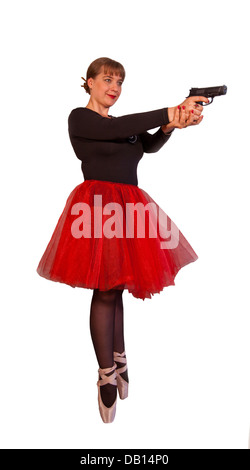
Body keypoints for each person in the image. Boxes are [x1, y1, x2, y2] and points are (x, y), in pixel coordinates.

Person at [36, 57, 209, 424]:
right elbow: (131, 126)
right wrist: (169, 109)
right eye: (108, 80)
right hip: (97, 210)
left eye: (120, 82)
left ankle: (119, 356)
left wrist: (172, 124)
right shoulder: (80, 119)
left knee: (117, 285)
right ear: (90, 82)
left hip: (129, 209)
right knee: (105, 288)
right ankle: (105, 375)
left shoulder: (122, 125)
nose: (114, 87)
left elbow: (147, 144)